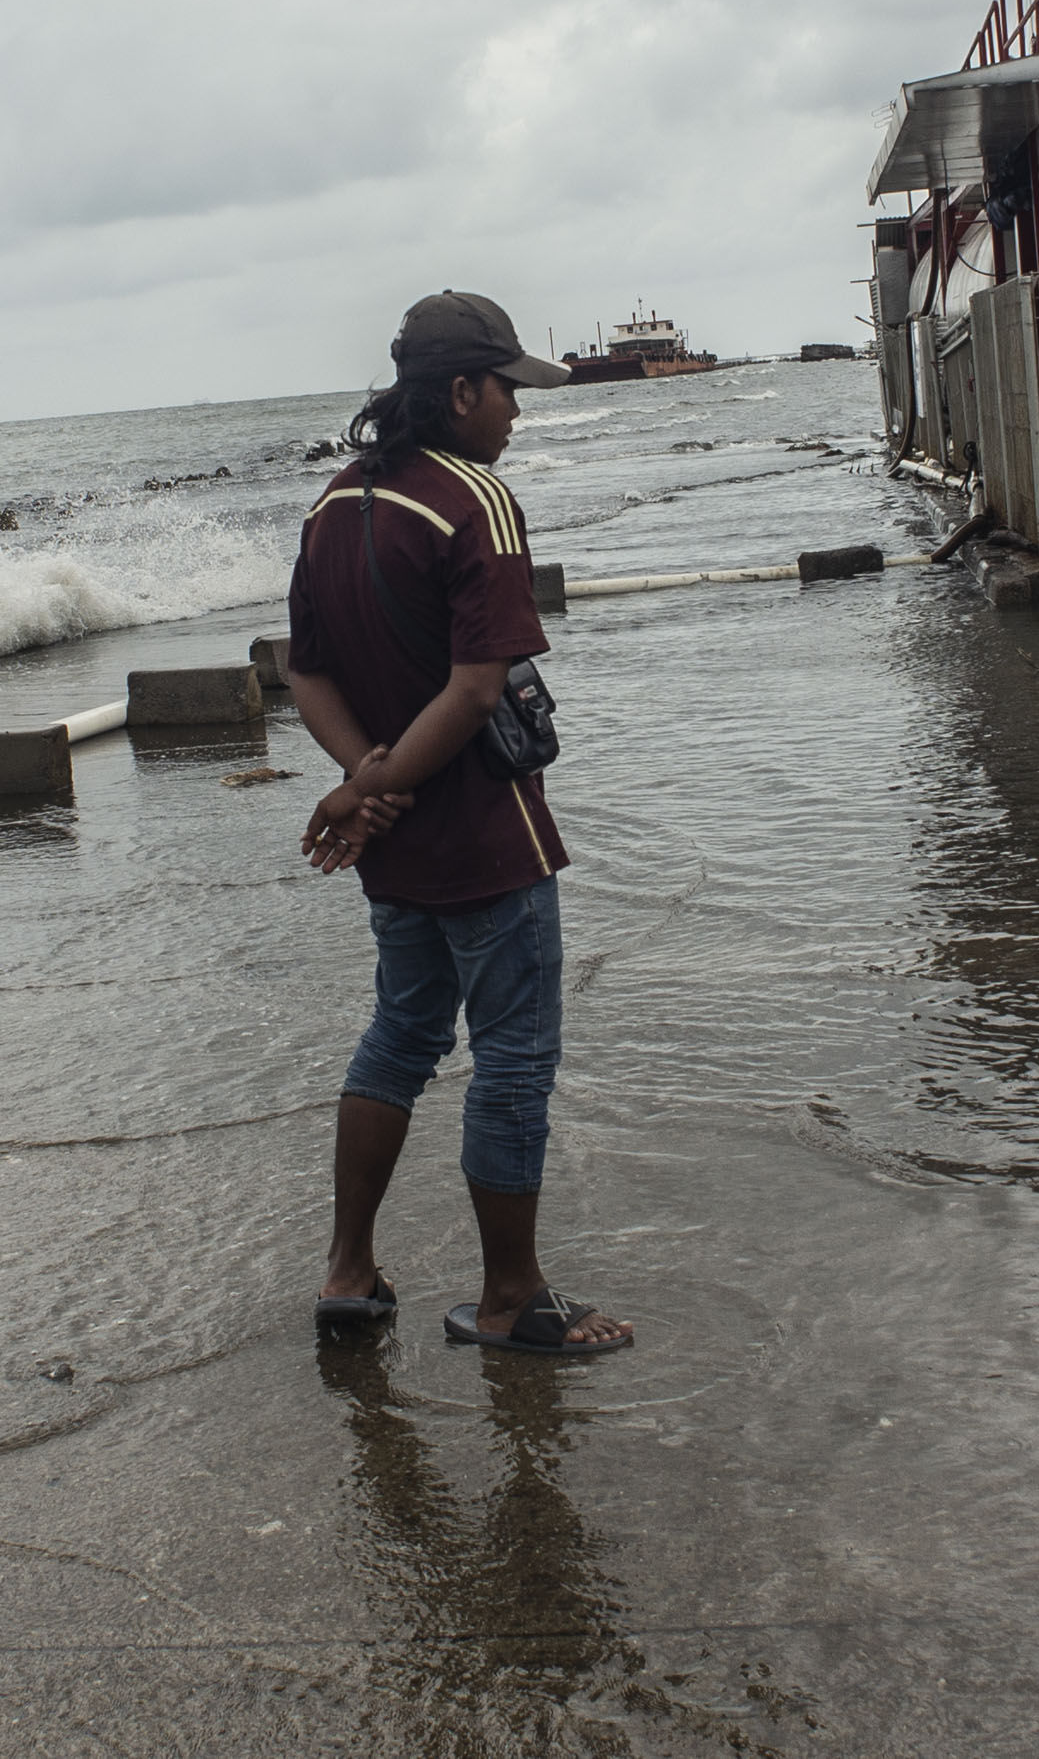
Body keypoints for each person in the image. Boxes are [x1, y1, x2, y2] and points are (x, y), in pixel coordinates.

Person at [289, 291, 634, 1357]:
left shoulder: (334, 504)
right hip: (488, 838)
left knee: (398, 1039)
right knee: (514, 1062)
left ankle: (349, 1271)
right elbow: (479, 687)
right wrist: (371, 785)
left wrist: (365, 782)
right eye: (507, 392)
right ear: (459, 392)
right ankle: (510, 1299)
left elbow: (305, 670)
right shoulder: (473, 500)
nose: (517, 413)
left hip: (394, 852)